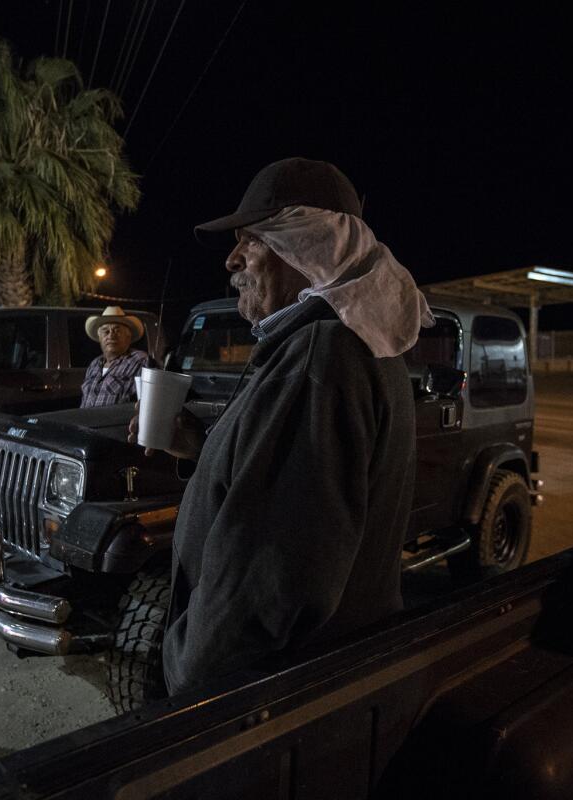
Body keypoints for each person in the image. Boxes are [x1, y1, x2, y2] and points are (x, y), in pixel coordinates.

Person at [140, 157, 434, 696]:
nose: (232, 259)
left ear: (311, 245)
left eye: (252, 241)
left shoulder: (321, 355)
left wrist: (181, 691)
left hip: (263, 705)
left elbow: (263, 589)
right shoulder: (346, 345)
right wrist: (200, 447)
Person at [80, 306, 152, 407]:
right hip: (87, 422)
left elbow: (150, 400)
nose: (111, 335)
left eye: (117, 331)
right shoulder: (94, 364)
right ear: (99, 338)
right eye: (106, 331)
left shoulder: (139, 360)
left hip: (116, 422)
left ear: (128, 336)